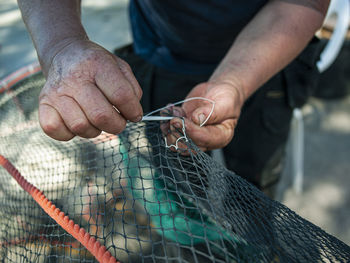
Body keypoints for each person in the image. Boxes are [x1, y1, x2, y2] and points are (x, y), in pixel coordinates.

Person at [17, 0, 329, 197]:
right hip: (159, 54)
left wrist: (233, 83)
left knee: (254, 189)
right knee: (179, 187)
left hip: (269, 65)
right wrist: (62, 46)